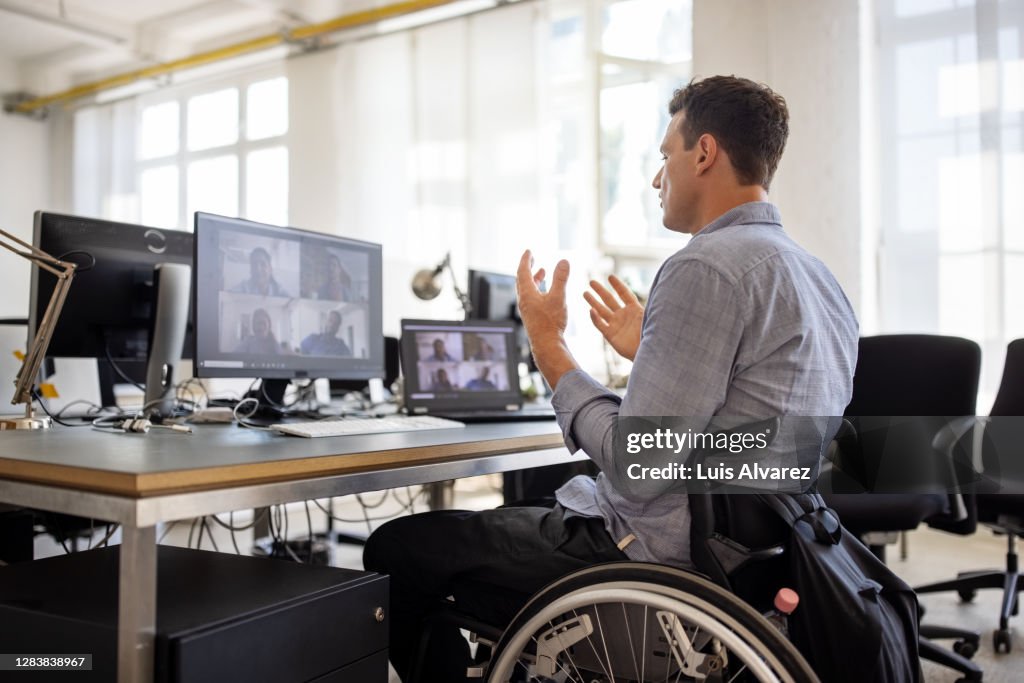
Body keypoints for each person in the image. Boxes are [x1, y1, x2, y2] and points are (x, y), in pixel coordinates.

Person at [363, 76, 859, 682]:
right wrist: (649, 355)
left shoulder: (706, 265)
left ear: (703, 154)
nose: (657, 179)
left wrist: (549, 347)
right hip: (754, 553)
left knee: (397, 551)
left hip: (647, 554)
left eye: (664, 157)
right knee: (521, 505)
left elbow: (639, 463)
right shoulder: (817, 277)